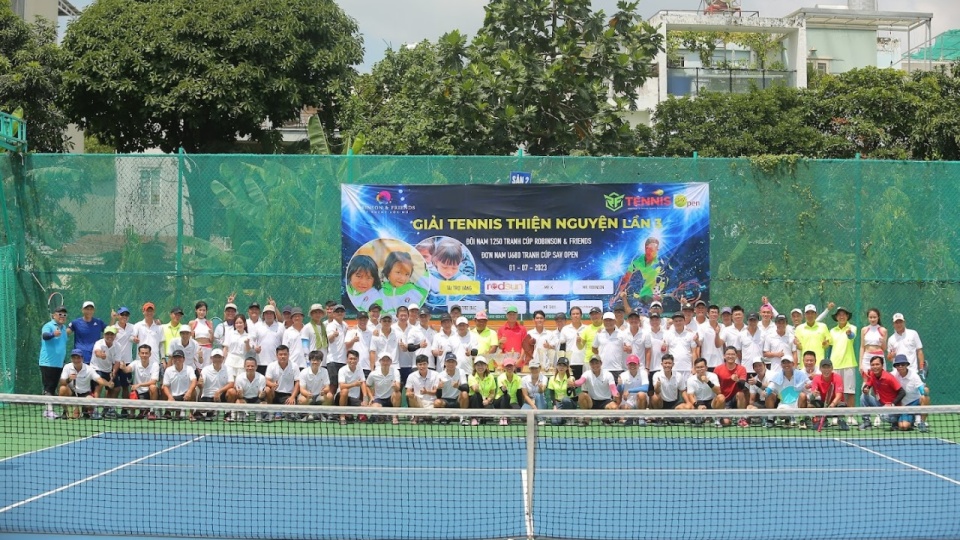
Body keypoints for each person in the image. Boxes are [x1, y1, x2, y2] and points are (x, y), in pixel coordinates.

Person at [58, 349, 113, 419]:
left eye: (78, 358)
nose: (76, 360)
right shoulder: (67, 367)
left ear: (82, 359)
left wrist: (108, 384)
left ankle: (84, 409)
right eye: (74, 358)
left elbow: (99, 379)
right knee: (62, 388)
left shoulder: (89, 369)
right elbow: (62, 382)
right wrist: (69, 379)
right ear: (71, 359)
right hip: (71, 393)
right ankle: (65, 412)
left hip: (84, 394)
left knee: (91, 404)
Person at [610, 237, 662, 306]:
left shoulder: (661, 262)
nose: (655, 251)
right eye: (652, 248)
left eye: (656, 249)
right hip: (642, 299)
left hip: (657, 300)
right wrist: (616, 297)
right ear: (646, 249)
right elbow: (625, 279)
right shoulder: (638, 261)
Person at [860, 355, 906, 431]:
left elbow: (902, 392)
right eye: (873, 365)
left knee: (883, 416)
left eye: (877, 364)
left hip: (892, 408)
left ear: (882, 366)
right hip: (880, 405)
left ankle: (895, 422)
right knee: (863, 397)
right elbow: (868, 384)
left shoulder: (889, 377)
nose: (875, 367)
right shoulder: (872, 374)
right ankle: (866, 422)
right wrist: (866, 388)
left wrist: (892, 404)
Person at [763, 357, 811, 428]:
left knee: (803, 395)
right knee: (769, 396)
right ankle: (772, 419)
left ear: (793, 364)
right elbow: (769, 388)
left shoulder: (800, 374)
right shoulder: (777, 377)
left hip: (798, 403)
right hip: (784, 405)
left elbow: (810, 383)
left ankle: (802, 420)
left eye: (788, 362)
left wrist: (809, 385)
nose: (786, 365)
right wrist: (765, 392)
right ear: (781, 365)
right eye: (784, 363)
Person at [572, 356, 619, 425]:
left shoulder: (608, 374)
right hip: (592, 401)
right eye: (592, 363)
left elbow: (613, 388)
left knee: (614, 407)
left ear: (601, 363)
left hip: (605, 401)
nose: (595, 365)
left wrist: (615, 394)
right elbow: (580, 382)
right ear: (590, 365)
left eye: (596, 363)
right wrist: (573, 383)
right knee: (582, 395)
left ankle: (606, 418)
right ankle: (586, 418)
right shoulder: (587, 373)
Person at [828, 306, 858, 411]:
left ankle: (850, 416)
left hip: (849, 364)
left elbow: (852, 336)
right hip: (835, 365)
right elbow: (828, 344)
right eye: (839, 314)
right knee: (836, 392)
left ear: (847, 316)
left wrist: (849, 334)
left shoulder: (852, 328)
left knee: (849, 392)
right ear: (836, 317)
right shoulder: (832, 331)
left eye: (844, 314)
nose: (841, 316)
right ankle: (836, 416)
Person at [806, 358, 848, 431]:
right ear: (820, 369)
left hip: (836, 404)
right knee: (810, 404)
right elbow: (812, 397)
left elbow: (839, 396)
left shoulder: (837, 377)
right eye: (824, 367)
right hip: (824, 404)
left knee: (842, 405)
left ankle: (840, 420)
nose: (826, 370)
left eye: (828, 367)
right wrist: (814, 394)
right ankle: (821, 420)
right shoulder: (816, 378)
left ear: (832, 368)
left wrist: (832, 404)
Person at [120, 344, 160, 419]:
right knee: (132, 392)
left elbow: (153, 381)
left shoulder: (155, 365)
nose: (144, 355)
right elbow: (127, 369)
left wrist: (139, 385)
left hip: (150, 393)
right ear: (139, 354)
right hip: (138, 394)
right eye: (142, 353)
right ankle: (134, 412)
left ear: (150, 354)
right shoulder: (135, 363)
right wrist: (123, 368)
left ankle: (151, 411)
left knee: (153, 387)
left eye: (146, 353)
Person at [89, 325, 122, 417]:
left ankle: (109, 409)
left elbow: (117, 362)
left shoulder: (118, 346)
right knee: (98, 386)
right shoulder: (98, 343)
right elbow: (97, 352)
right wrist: (101, 355)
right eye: (107, 334)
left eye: (112, 334)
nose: (109, 336)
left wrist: (113, 374)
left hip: (108, 370)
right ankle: (95, 411)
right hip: (96, 368)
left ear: (115, 336)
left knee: (116, 388)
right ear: (104, 335)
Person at [891, 354, 929, 432]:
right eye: (898, 365)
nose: (900, 366)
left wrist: (925, 390)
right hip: (904, 406)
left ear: (906, 365)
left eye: (903, 364)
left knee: (925, 398)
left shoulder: (914, 376)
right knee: (903, 426)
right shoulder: (893, 375)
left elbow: (922, 391)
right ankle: (914, 418)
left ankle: (922, 422)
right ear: (895, 366)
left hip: (916, 402)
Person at [196, 348, 235, 421]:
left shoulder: (228, 369)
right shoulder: (205, 369)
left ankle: (227, 413)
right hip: (208, 396)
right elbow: (201, 384)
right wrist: (200, 383)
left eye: (219, 357)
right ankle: (210, 412)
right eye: (215, 357)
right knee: (205, 414)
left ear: (223, 358)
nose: (217, 359)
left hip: (221, 396)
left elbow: (231, 383)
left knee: (232, 391)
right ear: (211, 358)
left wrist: (219, 392)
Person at [713, 346, 748, 427]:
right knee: (726, 423)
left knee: (741, 393)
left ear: (736, 356)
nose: (730, 356)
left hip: (735, 399)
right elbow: (715, 388)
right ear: (724, 356)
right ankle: (719, 418)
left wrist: (737, 380)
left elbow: (742, 386)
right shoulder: (717, 369)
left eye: (733, 354)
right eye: (728, 354)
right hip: (722, 400)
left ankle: (741, 418)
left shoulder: (742, 369)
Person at [684, 358, 724, 426]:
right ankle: (698, 417)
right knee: (686, 406)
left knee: (721, 397)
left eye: (702, 367)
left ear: (706, 367)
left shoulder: (713, 376)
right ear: (695, 369)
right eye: (698, 367)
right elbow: (690, 396)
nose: (700, 369)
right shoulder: (690, 379)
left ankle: (717, 419)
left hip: (711, 402)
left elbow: (718, 391)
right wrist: (698, 405)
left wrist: (708, 382)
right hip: (699, 402)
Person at [69, 300, 109, 365]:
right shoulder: (76, 322)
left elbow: (109, 331)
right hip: (80, 358)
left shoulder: (99, 322)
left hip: (95, 357)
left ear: (94, 311)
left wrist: (113, 319)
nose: (89, 311)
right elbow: (66, 332)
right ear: (82, 310)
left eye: (91, 309)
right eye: (87, 309)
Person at [365, 353, 400, 424]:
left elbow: (398, 388)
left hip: (391, 399)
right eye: (383, 360)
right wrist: (371, 397)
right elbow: (367, 385)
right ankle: (383, 415)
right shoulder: (373, 374)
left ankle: (394, 416)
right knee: (375, 410)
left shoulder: (395, 372)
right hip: (379, 399)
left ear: (390, 362)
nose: (385, 363)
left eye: (387, 360)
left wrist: (395, 386)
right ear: (380, 362)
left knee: (397, 394)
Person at [592, 311, 628, 382]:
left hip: (618, 369)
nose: (608, 322)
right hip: (603, 369)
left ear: (615, 321)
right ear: (603, 321)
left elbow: (628, 348)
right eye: (606, 320)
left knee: (616, 392)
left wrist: (628, 349)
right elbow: (594, 348)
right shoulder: (599, 334)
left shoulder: (622, 334)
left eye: (610, 320)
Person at [162, 350, 197, 420]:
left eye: (179, 357)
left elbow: (194, 380)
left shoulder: (189, 369)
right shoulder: (168, 370)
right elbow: (165, 386)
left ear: (183, 359)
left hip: (186, 396)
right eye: (175, 358)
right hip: (173, 397)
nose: (177, 359)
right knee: (162, 389)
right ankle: (168, 412)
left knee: (194, 392)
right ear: (172, 359)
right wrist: (169, 397)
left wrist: (189, 392)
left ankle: (191, 414)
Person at [664, 312, 700, 381]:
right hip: (673, 369)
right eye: (676, 321)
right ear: (673, 322)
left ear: (684, 321)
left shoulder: (691, 334)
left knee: (687, 390)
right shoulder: (668, 334)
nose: (678, 323)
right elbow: (666, 353)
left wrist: (694, 367)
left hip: (687, 369)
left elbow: (694, 353)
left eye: (680, 320)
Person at [264, 345, 298, 418]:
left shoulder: (294, 366)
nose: (283, 356)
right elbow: (267, 381)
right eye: (280, 354)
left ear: (288, 355)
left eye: (285, 354)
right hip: (274, 393)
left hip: (287, 395)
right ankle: (270, 411)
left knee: (290, 416)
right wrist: (272, 385)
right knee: (267, 390)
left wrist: (292, 397)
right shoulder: (271, 365)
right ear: (276, 355)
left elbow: (297, 383)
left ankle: (283, 412)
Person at [405, 355, 440, 423]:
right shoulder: (411, 376)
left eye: (424, 364)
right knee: (411, 397)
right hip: (418, 402)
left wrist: (427, 392)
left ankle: (426, 416)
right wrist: (410, 394)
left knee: (428, 417)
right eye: (420, 364)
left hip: (432, 403)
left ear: (428, 364)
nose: (422, 366)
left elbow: (436, 391)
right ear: (416, 365)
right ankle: (416, 416)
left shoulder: (436, 375)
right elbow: (408, 392)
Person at [436, 353, 469, 424]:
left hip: (457, 400)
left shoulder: (461, 372)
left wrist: (458, 386)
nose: (451, 364)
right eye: (448, 362)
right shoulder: (440, 375)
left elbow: (466, 388)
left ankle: (463, 417)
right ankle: (444, 417)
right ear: (445, 363)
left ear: (456, 363)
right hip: (445, 400)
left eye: (453, 362)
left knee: (464, 394)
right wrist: (439, 388)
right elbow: (438, 396)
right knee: (437, 403)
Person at [232, 358, 268, 422]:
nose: (250, 368)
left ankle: (259, 414)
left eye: (252, 366)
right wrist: (240, 394)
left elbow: (260, 396)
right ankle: (242, 413)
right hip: (244, 398)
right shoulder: (239, 378)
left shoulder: (262, 378)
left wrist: (262, 394)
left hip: (256, 398)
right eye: (248, 366)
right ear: (244, 366)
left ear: (256, 367)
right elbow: (240, 396)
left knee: (264, 403)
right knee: (238, 402)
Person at [618, 354, 649, 425]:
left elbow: (645, 388)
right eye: (630, 364)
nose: (632, 366)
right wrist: (619, 385)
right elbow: (620, 390)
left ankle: (641, 418)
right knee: (623, 412)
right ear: (627, 365)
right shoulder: (623, 375)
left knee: (641, 394)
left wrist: (629, 390)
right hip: (628, 401)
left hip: (640, 401)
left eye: (634, 364)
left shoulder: (643, 373)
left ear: (638, 365)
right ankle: (631, 418)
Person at [337, 350, 366, 425]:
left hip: (353, 399)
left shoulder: (360, 369)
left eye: (354, 359)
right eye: (350, 359)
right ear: (347, 359)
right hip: (340, 397)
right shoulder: (342, 370)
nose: (352, 361)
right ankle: (342, 416)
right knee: (345, 391)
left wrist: (365, 399)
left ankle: (349, 414)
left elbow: (363, 383)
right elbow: (342, 386)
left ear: (358, 359)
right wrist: (354, 384)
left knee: (366, 408)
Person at [467, 356, 497, 426]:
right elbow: (475, 389)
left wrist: (488, 400)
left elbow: (492, 393)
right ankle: (474, 418)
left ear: (486, 366)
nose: (480, 367)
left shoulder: (491, 377)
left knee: (489, 418)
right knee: (476, 395)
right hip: (475, 401)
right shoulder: (471, 376)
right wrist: (476, 387)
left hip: (486, 401)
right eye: (478, 365)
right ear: (474, 366)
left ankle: (482, 417)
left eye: (482, 365)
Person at [253, 304, 284, 373]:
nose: (269, 315)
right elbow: (252, 341)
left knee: (275, 383)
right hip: (260, 362)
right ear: (263, 315)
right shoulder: (257, 326)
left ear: (274, 315)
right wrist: (255, 347)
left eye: (271, 313)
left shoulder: (281, 326)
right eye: (267, 313)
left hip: (276, 362)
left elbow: (284, 343)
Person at [325, 304, 348, 395]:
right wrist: (333, 335)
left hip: (343, 360)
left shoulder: (345, 325)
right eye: (337, 312)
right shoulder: (330, 326)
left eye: (341, 311)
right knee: (333, 385)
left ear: (344, 313)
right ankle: (329, 407)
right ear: (333, 314)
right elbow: (329, 339)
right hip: (333, 360)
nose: (339, 313)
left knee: (341, 386)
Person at [547, 357, 577, 425]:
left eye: (564, 365)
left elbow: (574, 396)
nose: (561, 367)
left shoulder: (571, 378)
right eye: (560, 365)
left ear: (567, 368)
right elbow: (552, 395)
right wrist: (554, 406)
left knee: (565, 399)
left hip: (569, 403)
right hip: (558, 403)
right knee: (555, 422)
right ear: (557, 366)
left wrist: (570, 388)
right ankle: (563, 418)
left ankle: (570, 417)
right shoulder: (552, 379)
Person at [558, 306, 587, 378]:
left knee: (584, 387)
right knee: (571, 386)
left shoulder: (587, 328)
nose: (575, 316)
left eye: (577, 314)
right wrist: (563, 363)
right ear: (570, 316)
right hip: (570, 362)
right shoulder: (565, 329)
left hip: (585, 363)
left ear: (581, 315)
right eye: (573, 314)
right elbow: (562, 347)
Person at [495, 356, 524, 425]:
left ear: (514, 367)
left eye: (511, 366)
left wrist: (520, 408)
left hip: (513, 402)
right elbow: (504, 392)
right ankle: (503, 417)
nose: (509, 368)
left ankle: (508, 417)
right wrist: (504, 390)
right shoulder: (500, 377)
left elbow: (519, 394)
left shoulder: (518, 379)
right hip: (499, 402)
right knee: (506, 396)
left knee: (523, 418)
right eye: (507, 366)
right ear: (504, 368)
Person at [222, 314, 252, 380]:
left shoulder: (248, 336)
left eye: (240, 323)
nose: (239, 325)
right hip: (230, 361)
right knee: (229, 381)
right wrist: (223, 361)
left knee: (239, 381)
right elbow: (226, 348)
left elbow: (248, 350)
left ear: (245, 324)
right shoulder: (230, 333)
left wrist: (247, 343)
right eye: (237, 323)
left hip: (241, 361)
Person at [859, 308, 887, 375]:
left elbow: (884, 348)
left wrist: (883, 342)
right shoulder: (864, 330)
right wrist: (860, 364)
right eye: (870, 317)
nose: (872, 319)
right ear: (868, 318)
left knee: (880, 380)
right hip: (867, 357)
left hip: (879, 356)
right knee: (866, 380)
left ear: (878, 317)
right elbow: (862, 347)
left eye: (874, 317)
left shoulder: (883, 330)